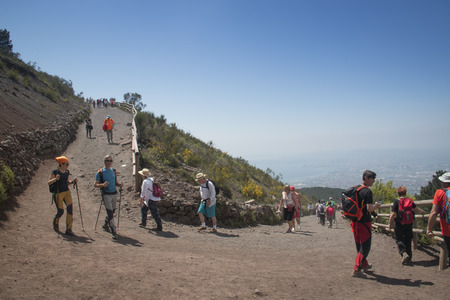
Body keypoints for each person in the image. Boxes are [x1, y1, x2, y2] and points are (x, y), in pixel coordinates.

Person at [350, 170, 381, 278]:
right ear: (366, 178)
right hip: (364, 222)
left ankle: (365, 264)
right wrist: (376, 206)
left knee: (359, 245)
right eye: (372, 178)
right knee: (366, 246)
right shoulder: (367, 192)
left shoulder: (356, 189)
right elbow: (369, 208)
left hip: (355, 222)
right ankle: (356, 269)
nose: (373, 181)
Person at [389, 186, 425, 265]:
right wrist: (423, 212)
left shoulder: (397, 201)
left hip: (399, 224)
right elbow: (417, 209)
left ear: (398, 193)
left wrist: (390, 223)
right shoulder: (410, 200)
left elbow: (393, 214)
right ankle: (409, 257)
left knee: (399, 239)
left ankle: (403, 253)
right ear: (405, 192)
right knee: (408, 240)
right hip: (409, 224)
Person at [94, 155, 123, 239]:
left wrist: (119, 184)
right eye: (107, 160)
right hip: (106, 194)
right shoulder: (100, 172)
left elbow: (115, 182)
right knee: (110, 212)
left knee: (113, 211)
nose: (109, 162)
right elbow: (95, 184)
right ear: (104, 162)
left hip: (114, 193)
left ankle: (106, 224)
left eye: (110, 160)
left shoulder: (113, 171)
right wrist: (103, 185)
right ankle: (114, 230)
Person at [47, 156, 78, 236]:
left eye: (68, 164)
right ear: (61, 164)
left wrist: (72, 182)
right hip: (58, 193)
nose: (68, 165)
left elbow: (66, 182)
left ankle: (69, 229)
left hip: (66, 192)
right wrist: (55, 179)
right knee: (61, 211)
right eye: (66, 164)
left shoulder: (67, 172)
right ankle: (56, 222)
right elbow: (49, 182)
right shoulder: (55, 172)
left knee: (70, 210)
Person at [427, 172, 450, 268]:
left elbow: (434, 212)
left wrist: (429, 228)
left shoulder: (440, 193)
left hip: (447, 229)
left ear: (444, 182)